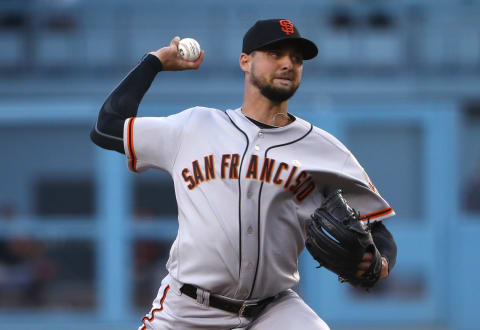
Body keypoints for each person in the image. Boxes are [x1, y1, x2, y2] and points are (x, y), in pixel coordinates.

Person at [90, 18, 397, 330]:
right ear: (245, 61)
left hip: (272, 310)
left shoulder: (327, 151)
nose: (288, 64)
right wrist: (154, 62)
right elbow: (107, 127)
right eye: (275, 54)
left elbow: (378, 231)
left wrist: (380, 263)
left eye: (296, 58)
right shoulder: (193, 127)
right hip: (187, 310)